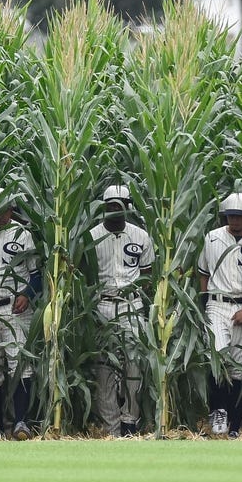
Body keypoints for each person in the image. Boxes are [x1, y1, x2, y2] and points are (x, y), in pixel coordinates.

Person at [197, 192, 242, 439]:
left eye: (239, 216)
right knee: (218, 356)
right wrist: (203, 305)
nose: (234, 221)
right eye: (230, 216)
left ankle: (235, 423)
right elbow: (203, 273)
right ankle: (219, 412)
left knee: (240, 366)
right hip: (217, 304)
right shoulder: (213, 238)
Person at [88, 185, 154, 437]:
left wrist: (136, 291)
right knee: (104, 367)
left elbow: (147, 273)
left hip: (131, 305)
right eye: (110, 207)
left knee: (134, 364)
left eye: (119, 206)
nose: (114, 211)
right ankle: (111, 427)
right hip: (102, 305)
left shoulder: (140, 236)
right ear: (103, 208)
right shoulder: (92, 236)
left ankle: (130, 420)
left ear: (127, 207)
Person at [0, 187, 41, 440]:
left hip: (16, 309)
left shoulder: (22, 235)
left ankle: (21, 423)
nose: (5, 214)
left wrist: (27, 293)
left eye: (8, 208)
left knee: (20, 367)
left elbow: (36, 275)